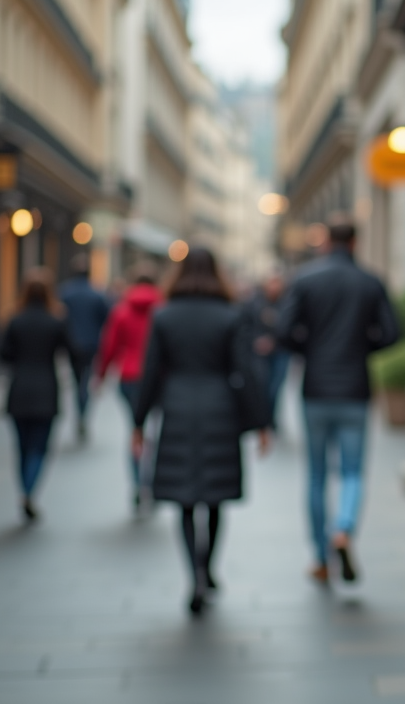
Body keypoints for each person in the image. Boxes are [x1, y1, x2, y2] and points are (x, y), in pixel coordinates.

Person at [133, 247, 269, 615]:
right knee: (214, 497)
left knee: (185, 500)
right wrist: (261, 423)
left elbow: (150, 373)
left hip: (177, 408)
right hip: (219, 408)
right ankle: (208, 568)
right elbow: (246, 371)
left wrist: (138, 422)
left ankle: (192, 572)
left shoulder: (164, 316)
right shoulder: (230, 315)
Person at [277, 217, 399, 584]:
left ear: (326, 241)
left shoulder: (305, 279)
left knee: (315, 475)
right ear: (355, 243)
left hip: (314, 388)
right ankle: (343, 528)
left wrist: (309, 349)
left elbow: (283, 332)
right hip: (355, 390)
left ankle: (319, 557)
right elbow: (392, 333)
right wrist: (363, 346)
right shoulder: (370, 282)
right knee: (351, 471)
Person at [0, 268, 74, 522]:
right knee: (39, 448)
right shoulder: (56, 320)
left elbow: (2, 354)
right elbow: (69, 350)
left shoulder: (15, 319)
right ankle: (29, 492)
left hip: (19, 388)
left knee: (22, 447)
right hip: (45, 389)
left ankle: (24, 490)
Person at [95, 263, 162, 509]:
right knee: (154, 430)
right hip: (156, 378)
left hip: (129, 376)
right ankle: (151, 481)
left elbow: (109, 345)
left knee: (135, 430)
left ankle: (137, 484)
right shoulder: (163, 310)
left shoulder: (121, 311)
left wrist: (101, 374)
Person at [58, 254, 108, 441]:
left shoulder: (65, 293)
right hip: (90, 345)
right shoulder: (96, 294)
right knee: (84, 381)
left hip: (71, 345)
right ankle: (82, 413)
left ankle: (80, 413)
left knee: (76, 378)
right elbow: (105, 319)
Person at [241, 272, 290, 434]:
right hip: (259, 352)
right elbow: (244, 326)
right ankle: (264, 419)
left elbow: (291, 327)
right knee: (262, 385)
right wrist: (256, 340)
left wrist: (274, 341)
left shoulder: (287, 302)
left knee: (275, 387)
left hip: (280, 350)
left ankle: (270, 418)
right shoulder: (254, 302)